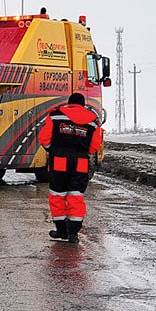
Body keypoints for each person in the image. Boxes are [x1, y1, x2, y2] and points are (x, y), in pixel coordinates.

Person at [38, 93, 103, 243]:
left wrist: (52, 150)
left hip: (59, 161)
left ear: (69, 103)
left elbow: (44, 139)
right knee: (76, 196)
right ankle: (73, 233)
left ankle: (61, 231)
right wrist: (83, 152)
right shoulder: (93, 121)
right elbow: (95, 145)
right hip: (80, 162)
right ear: (82, 104)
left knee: (57, 195)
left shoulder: (55, 115)